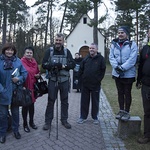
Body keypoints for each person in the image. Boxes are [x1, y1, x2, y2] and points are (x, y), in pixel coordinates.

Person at [42, 33, 75, 130]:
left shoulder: (67, 52)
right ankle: (48, 122)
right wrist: (53, 66)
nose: (58, 42)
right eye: (56, 40)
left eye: (60, 40)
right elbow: (43, 64)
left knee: (64, 101)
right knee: (51, 101)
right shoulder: (49, 51)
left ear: (63, 41)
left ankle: (64, 120)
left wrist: (63, 66)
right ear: (54, 40)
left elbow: (73, 64)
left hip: (64, 80)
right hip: (53, 79)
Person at [109, 26, 138, 121]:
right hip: (117, 73)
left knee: (127, 92)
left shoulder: (132, 44)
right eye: (119, 33)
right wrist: (116, 67)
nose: (120, 34)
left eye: (122, 32)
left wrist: (123, 67)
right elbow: (111, 57)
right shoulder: (114, 44)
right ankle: (121, 110)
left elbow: (132, 59)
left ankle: (126, 111)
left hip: (128, 73)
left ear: (127, 34)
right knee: (120, 92)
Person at [0, 43, 27, 143]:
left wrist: (19, 79)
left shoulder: (18, 61)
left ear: (14, 52)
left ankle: (16, 130)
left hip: (15, 92)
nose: (9, 52)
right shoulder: (0, 61)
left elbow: (24, 73)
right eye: (7, 50)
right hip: (2, 93)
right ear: (4, 51)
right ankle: (2, 133)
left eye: (11, 50)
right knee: (2, 114)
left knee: (15, 113)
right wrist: (2, 90)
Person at [77, 43, 106, 124]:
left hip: (95, 85)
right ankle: (83, 117)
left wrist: (98, 80)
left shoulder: (101, 59)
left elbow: (103, 71)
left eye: (93, 48)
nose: (91, 50)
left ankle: (95, 117)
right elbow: (81, 70)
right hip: (85, 84)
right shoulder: (86, 58)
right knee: (84, 101)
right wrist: (80, 80)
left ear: (96, 49)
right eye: (90, 48)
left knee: (95, 101)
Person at [21, 46, 40, 133]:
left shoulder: (34, 62)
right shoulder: (21, 62)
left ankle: (31, 122)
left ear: (32, 54)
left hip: (33, 87)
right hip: (25, 87)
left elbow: (37, 72)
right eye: (27, 52)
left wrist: (38, 75)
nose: (29, 54)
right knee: (25, 107)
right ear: (24, 54)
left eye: (30, 53)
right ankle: (25, 124)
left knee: (32, 106)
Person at [136, 29, 150, 144]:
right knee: (147, 111)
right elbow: (140, 66)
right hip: (146, 85)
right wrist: (138, 80)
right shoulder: (145, 48)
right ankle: (147, 135)